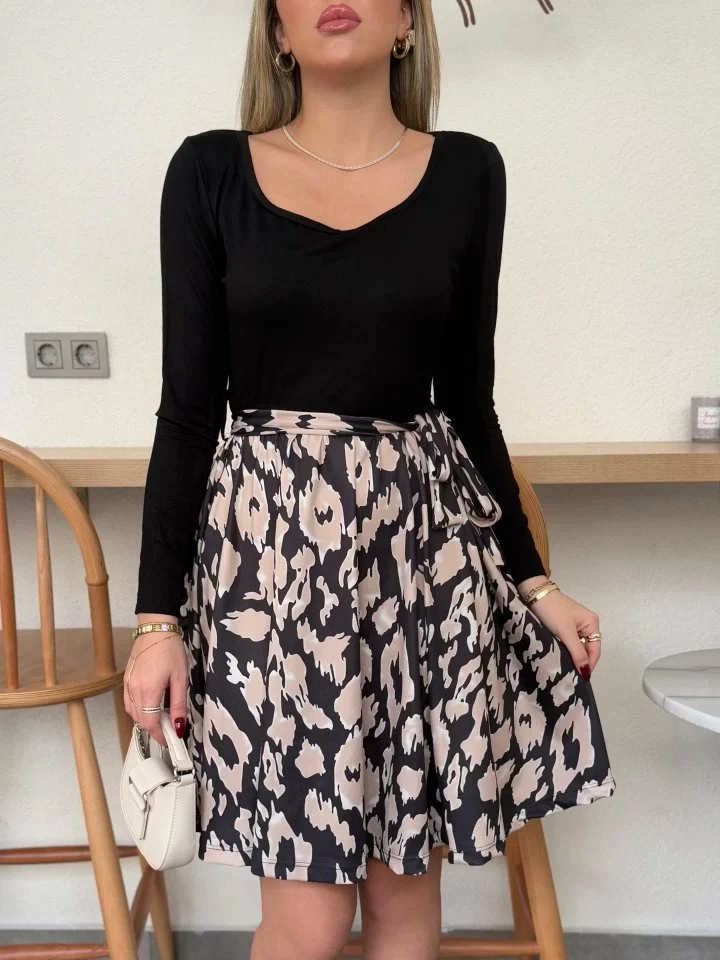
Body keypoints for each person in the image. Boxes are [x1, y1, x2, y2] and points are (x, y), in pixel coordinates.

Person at [124, 1, 617, 957]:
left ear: (407, 21)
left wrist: (535, 583)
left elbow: (468, 404)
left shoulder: (470, 171)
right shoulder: (210, 171)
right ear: (276, 31)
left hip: (420, 563)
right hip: (272, 571)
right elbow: (187, 411)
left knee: (404, 895)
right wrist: (158, 622)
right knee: (307, 918)